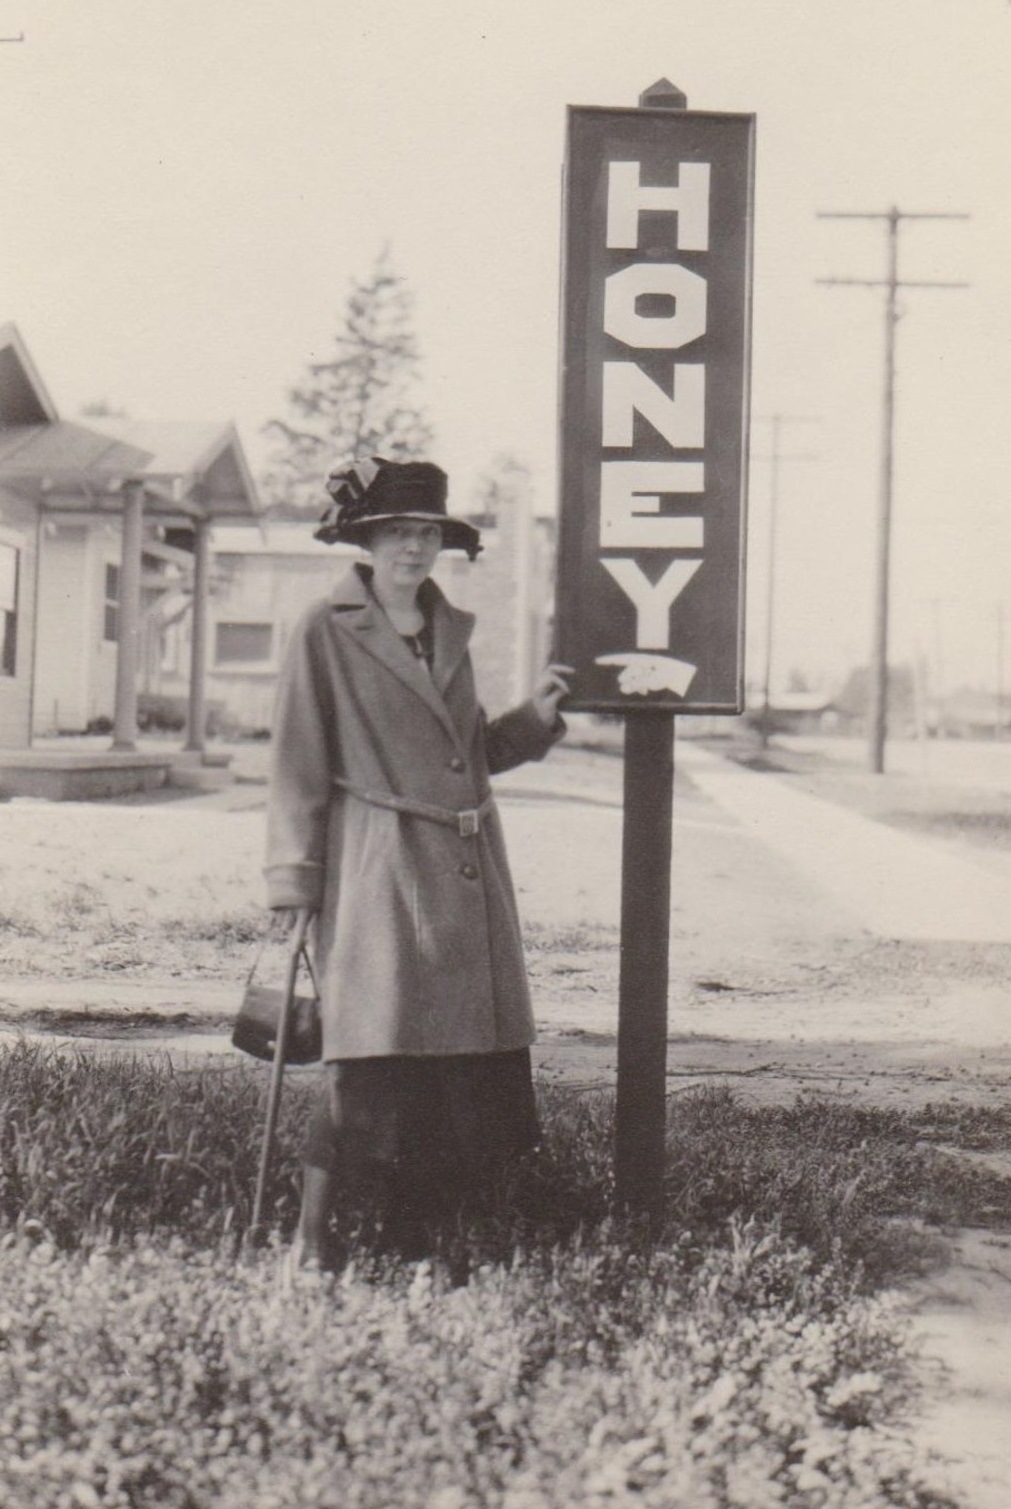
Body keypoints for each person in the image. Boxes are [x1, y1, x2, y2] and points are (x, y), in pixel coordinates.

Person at [264, 456, 571, 1267]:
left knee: (455, 1070)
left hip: (466, 868)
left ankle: (421, 1241)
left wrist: (532, 722)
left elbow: (466, 752)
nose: (413, 548)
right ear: (365, 541)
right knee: (369, 1054)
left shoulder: (449, 629)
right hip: (376, 865)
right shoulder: (323, 628)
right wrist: (295, 879)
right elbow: (297, 758)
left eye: (426, 532)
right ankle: (313, 1241)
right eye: (397, 532)